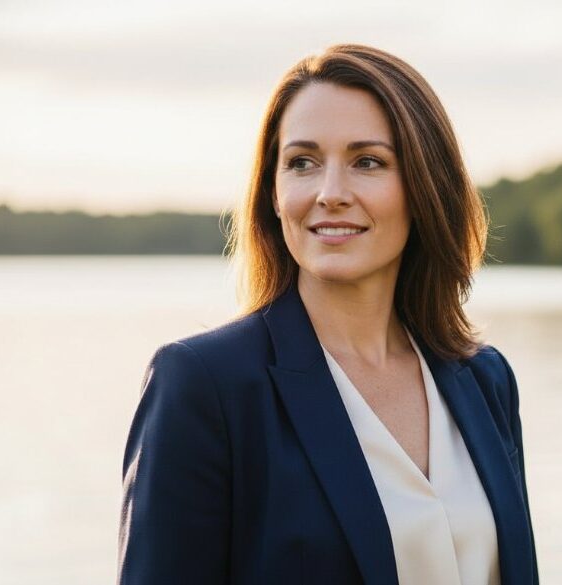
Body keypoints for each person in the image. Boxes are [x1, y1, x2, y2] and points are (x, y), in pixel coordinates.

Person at [117, 43, 538, 585]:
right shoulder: (204, 385)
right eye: (302, 163)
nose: (330, 193)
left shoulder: (484, 378)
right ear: (273, 193)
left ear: (425, 186)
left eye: (367, 162)